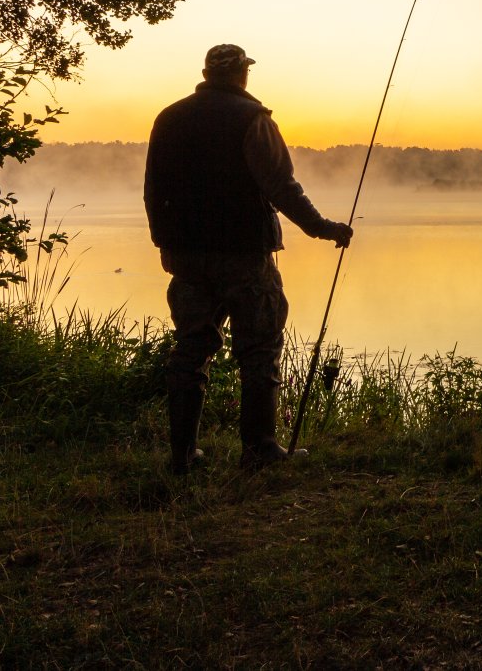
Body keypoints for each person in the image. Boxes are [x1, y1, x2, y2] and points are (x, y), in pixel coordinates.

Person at [144, 44, 353, 474]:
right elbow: (282, 187)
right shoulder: (252, 120)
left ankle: (182, 456)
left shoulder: (168, 118)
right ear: (242, 75)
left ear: (205, 73)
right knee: (259, 349)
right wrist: (323, 228)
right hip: (243, 255)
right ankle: (259, 451)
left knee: (190, 350)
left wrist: (165, 242)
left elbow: (152, 191)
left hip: (186, 256)